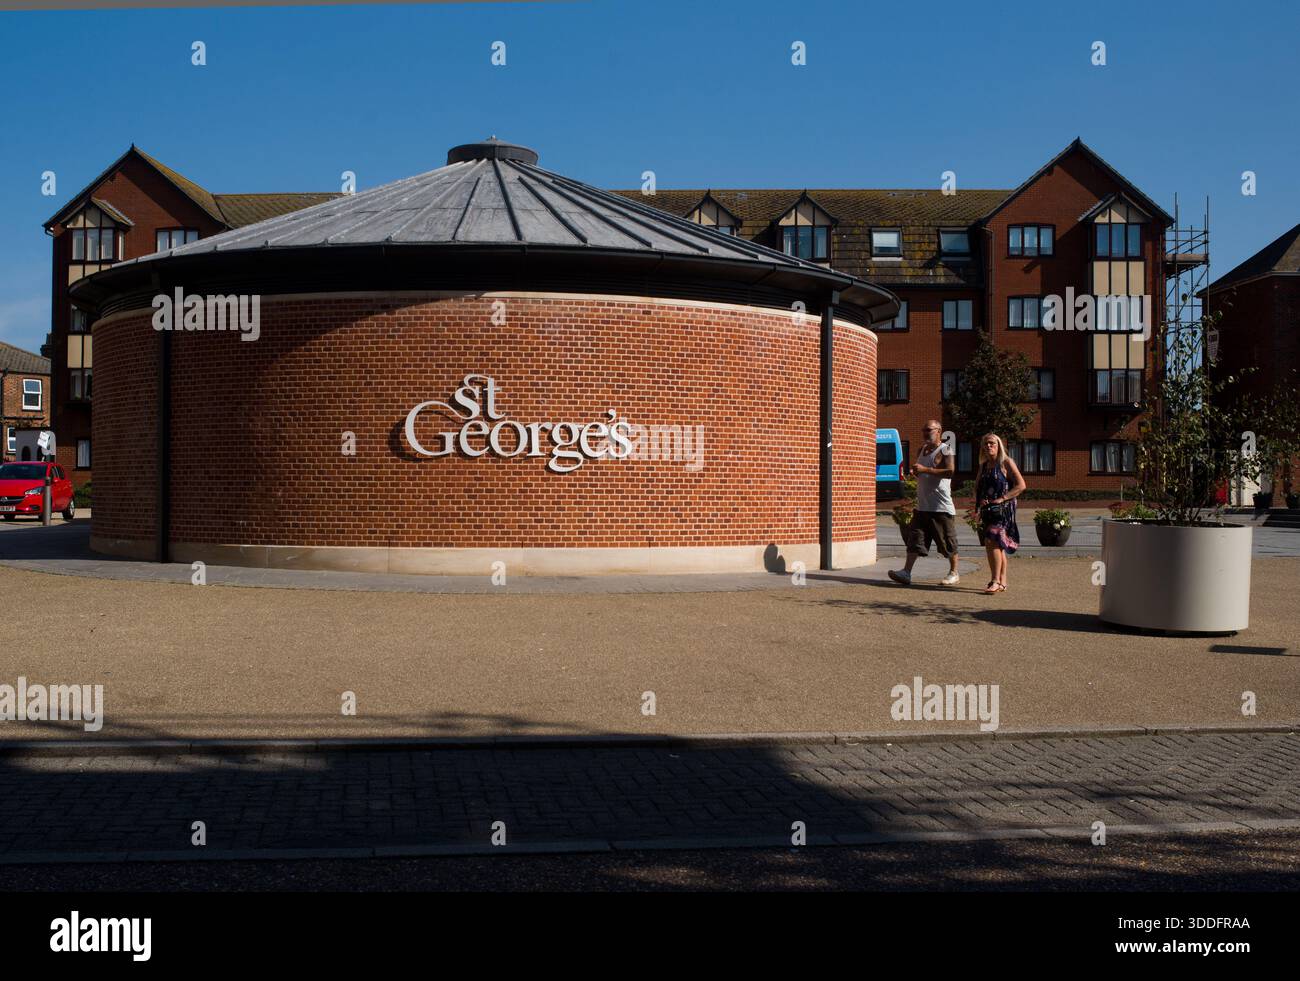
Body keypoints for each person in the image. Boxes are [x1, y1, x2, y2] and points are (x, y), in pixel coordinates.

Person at [889, 421, 960, 586]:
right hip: (922, 506)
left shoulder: (946, 449)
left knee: (947, 542)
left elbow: (950, 472)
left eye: (929, 430)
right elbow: (922, 471)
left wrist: (925, 470)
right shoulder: (921, 450)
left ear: (939, 431)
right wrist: (916, 473)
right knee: (915, 540)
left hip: (940, 507)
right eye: (924, 430)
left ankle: (954, 572)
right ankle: (906, 572)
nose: (925, 433)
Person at [973, 432, 1026, 594]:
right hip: (988, 511)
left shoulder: (1006, 463)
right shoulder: (983, 466)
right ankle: (1002, 582)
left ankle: (994, 580)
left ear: (999, 445)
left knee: (991, 541)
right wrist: (977, 507)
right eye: (986, 444)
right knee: (998, 545)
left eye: (992, 443)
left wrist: (1003, 498)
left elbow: (1021, 485)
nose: (989, 446)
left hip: (1003, 511)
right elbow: (977, 488)